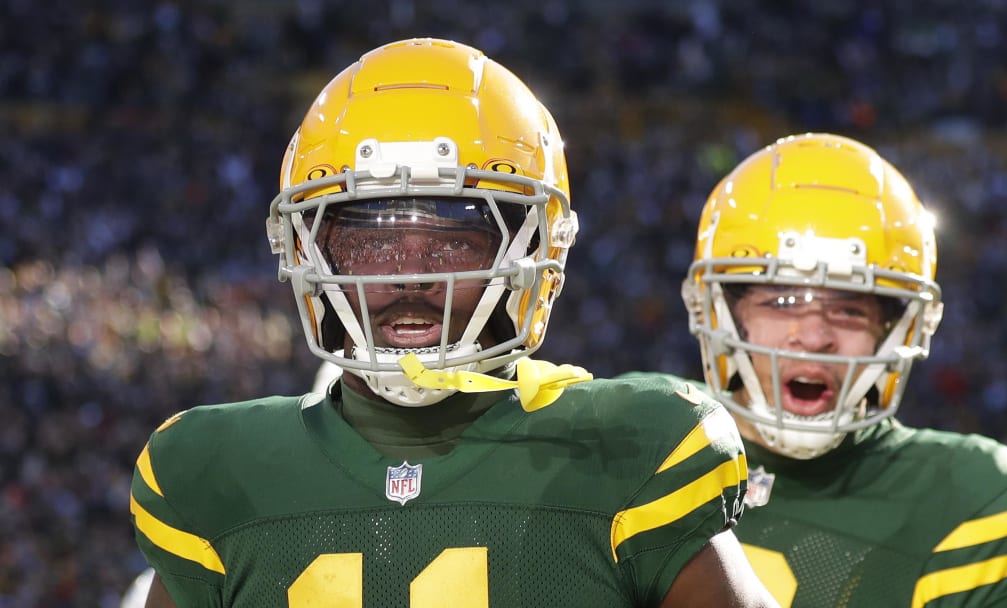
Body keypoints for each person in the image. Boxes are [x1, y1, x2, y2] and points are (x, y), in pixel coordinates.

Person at [129, 38, 778, 607]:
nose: (412, 276)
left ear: (534, 253)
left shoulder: (634, 451)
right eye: (372, 241)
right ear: (308, 252)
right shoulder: (215, 472)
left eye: (453, 241)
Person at [680, 132, 1007, 606]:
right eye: (782, 300)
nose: (814, 335)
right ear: (722, 312)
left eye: (850, 310)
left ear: (894, 328)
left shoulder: (965, 500)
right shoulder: (647, 437)